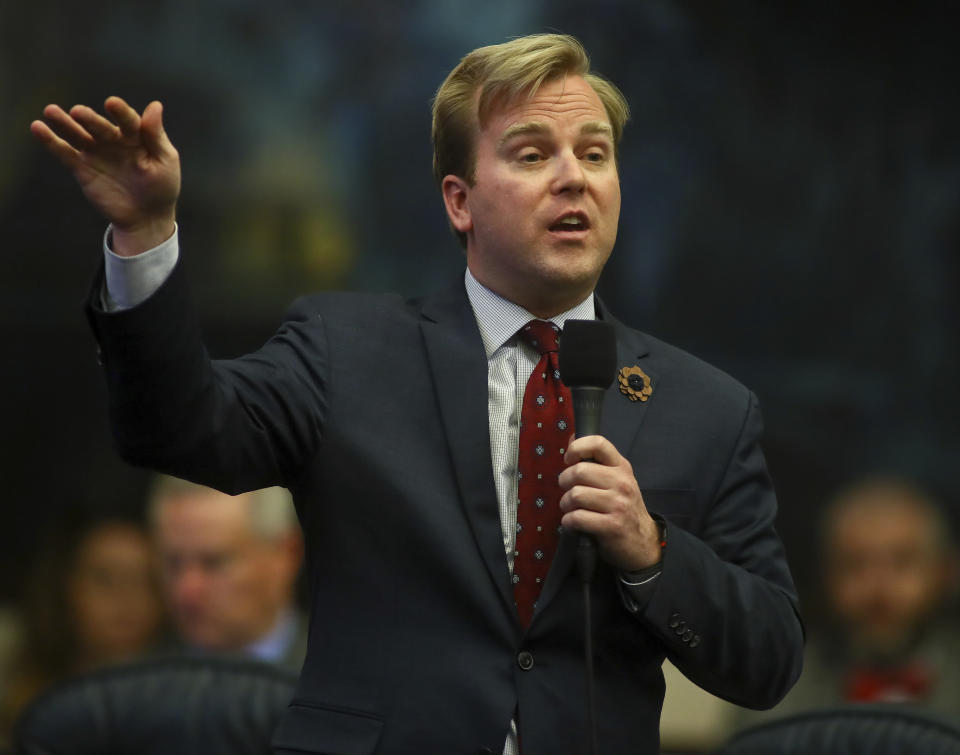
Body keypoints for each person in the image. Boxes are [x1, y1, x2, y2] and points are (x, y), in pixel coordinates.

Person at [30, 33, 803, 754]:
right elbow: (177, 426)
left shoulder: (707, 408)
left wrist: (651, 551)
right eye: (533, 154)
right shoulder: (348, 348)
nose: (574, 175)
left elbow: (769, 660)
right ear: (459, 201)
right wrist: (145, 235)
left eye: (594, 154)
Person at [736, 476, 959, 728]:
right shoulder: (778, 685)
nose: (878, 589)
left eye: (902, 562)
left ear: (946, 571)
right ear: (826, 577)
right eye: (853, 564)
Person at [0, 513, 166, 742]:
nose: (126, 597)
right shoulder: (13, 674)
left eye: (146, 581)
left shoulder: (183, 696)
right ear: (66, 586)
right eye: (104, 579)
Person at [147, 475, 307, 672]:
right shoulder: (132, 687)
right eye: (173, 564)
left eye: (214, 563)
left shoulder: (342, 679)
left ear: (287, 555)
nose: (186, 590)